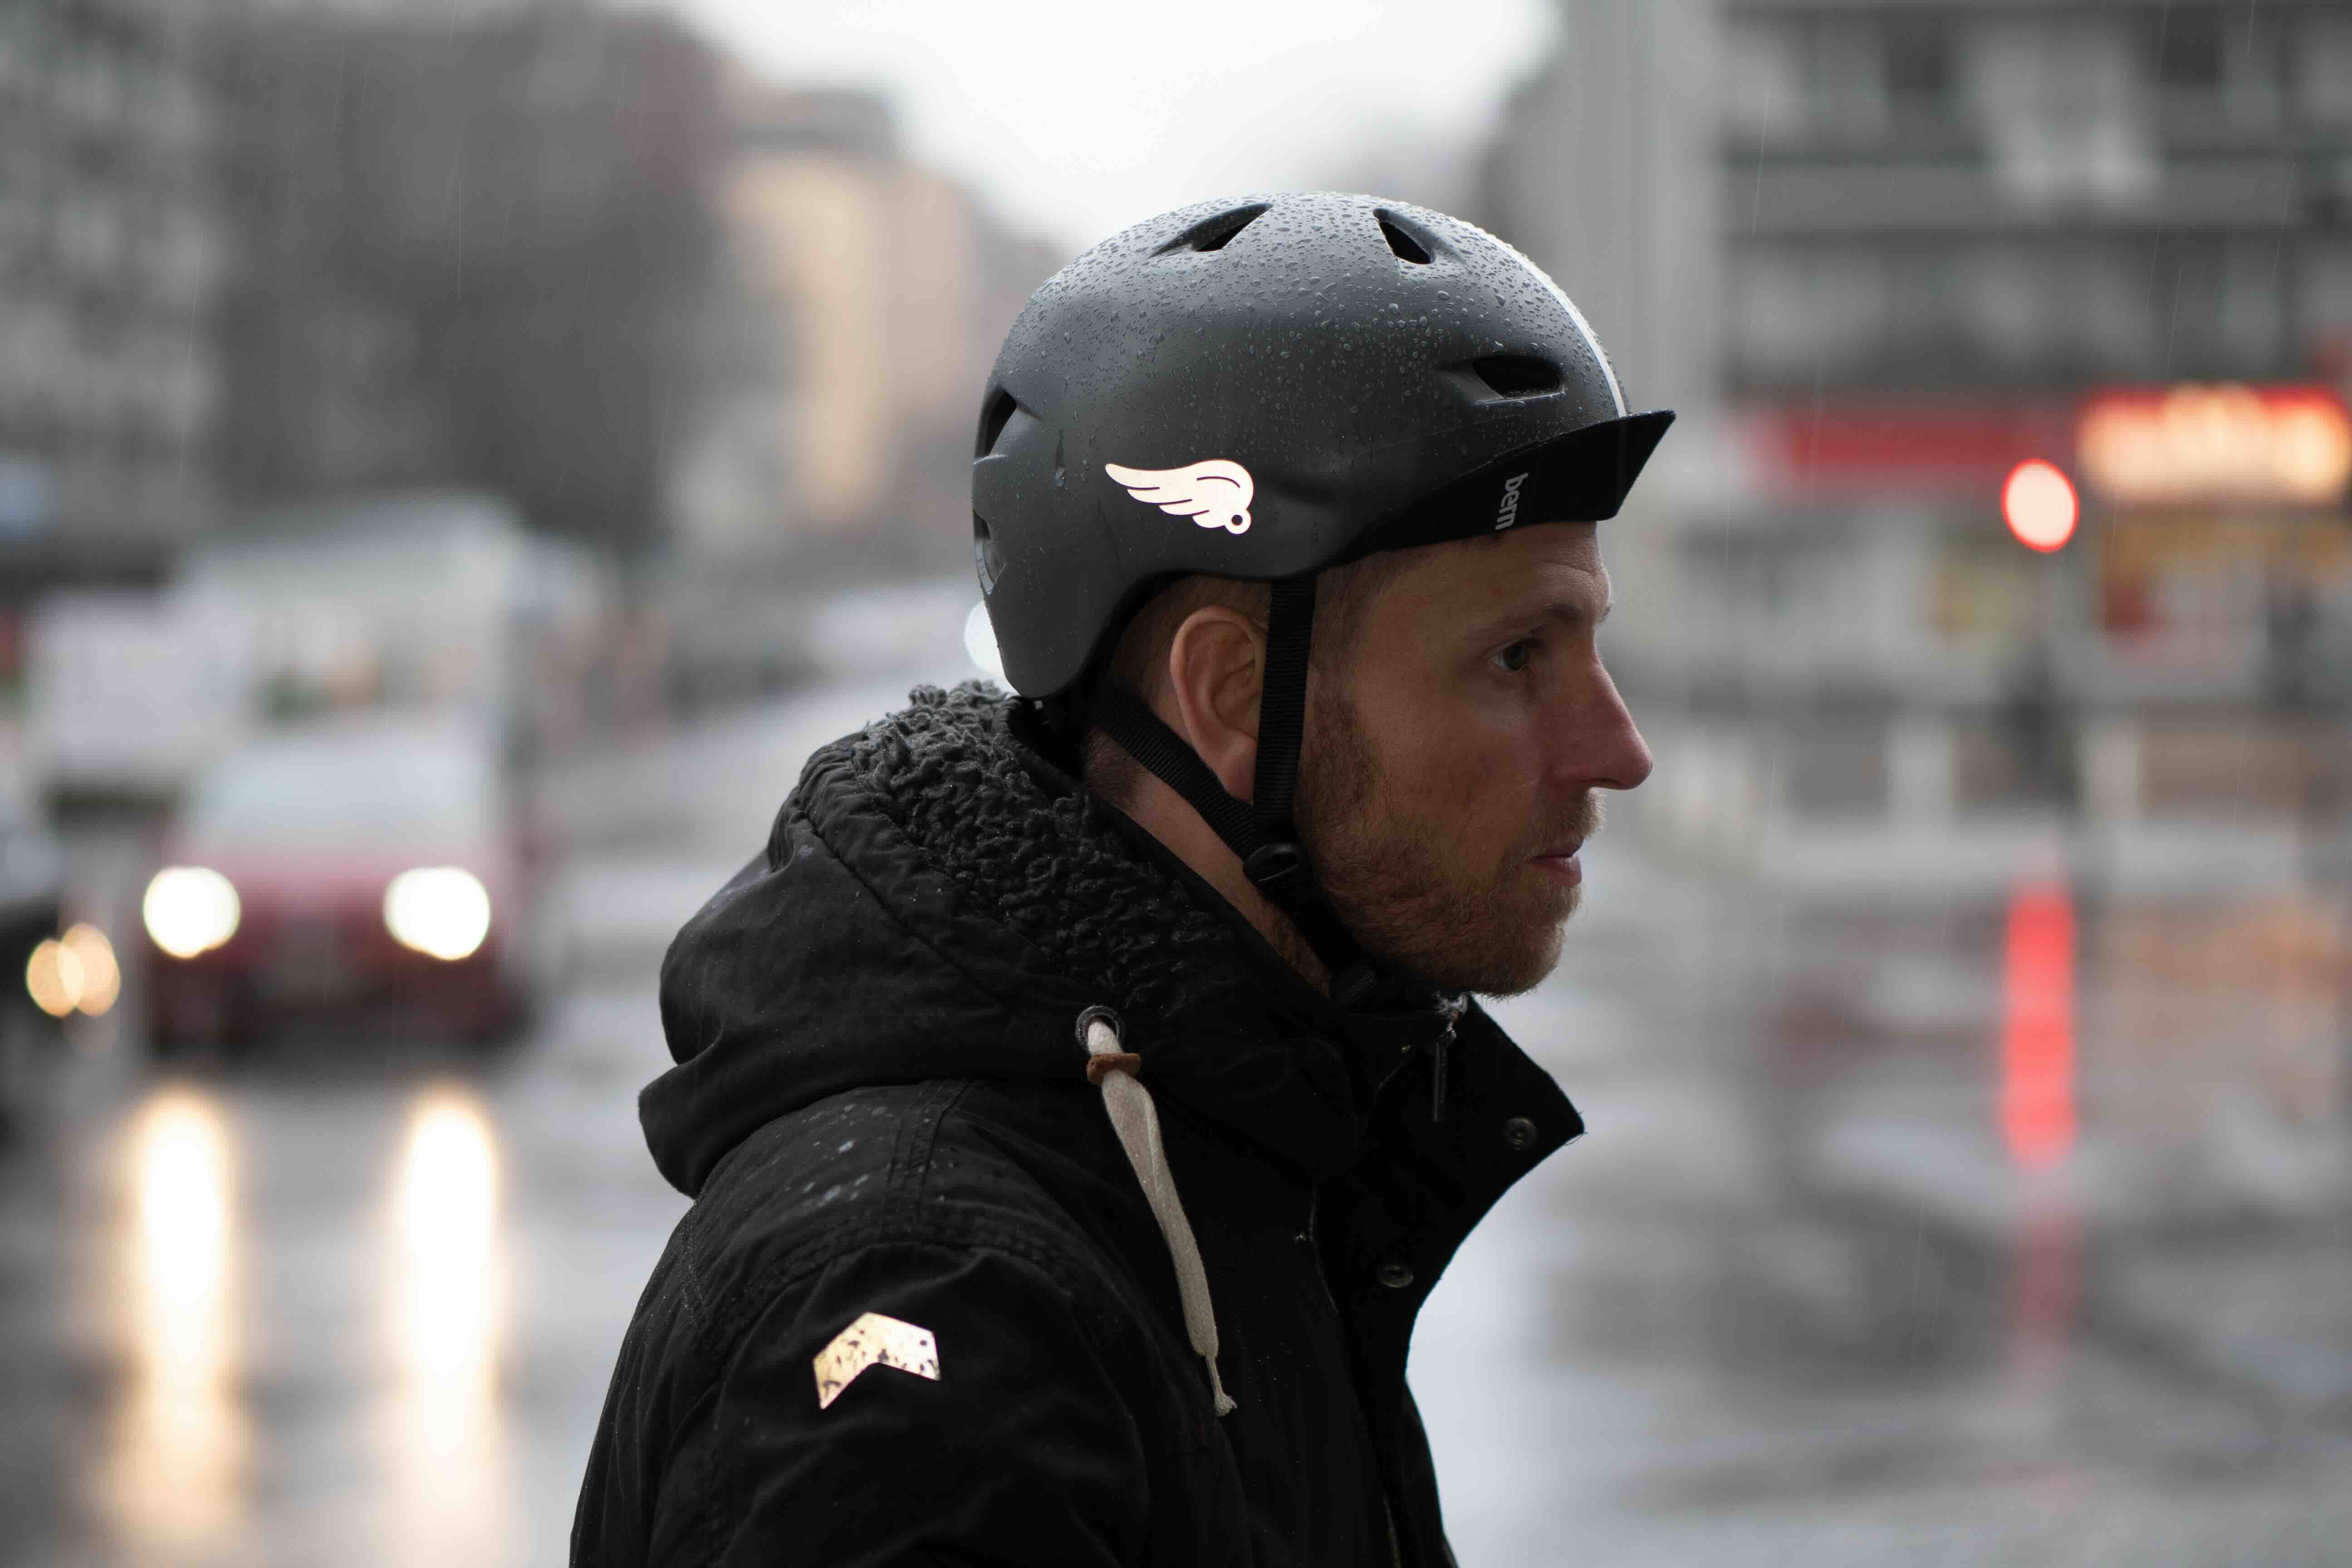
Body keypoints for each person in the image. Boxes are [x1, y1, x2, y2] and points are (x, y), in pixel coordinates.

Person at [572, 191, 1670, 1566]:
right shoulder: (942, 1337)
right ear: (1228, 693)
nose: (1616, 752)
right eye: (1519, 657)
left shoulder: (1233, 1146)